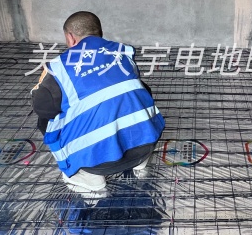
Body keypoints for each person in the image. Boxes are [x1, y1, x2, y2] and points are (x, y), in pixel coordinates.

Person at [31, 11, 165, 193]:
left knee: (47, 119)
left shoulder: (59, 68)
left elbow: (41, 108)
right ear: (99, 33)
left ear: (70, 38)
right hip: (144, 146)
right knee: (139, 90)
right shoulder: (123, 52)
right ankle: (140, 163)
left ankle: (86, 177)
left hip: (97, 164)